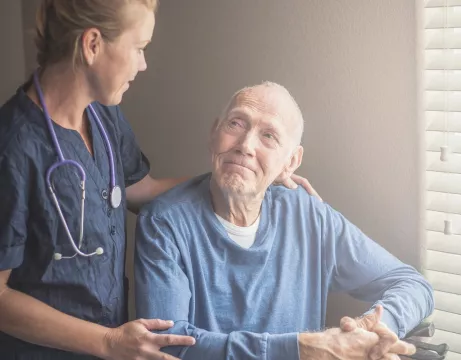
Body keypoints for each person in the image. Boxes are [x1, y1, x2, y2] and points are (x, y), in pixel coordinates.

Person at [0, 2, 317, 359]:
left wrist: (245, 176)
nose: (143, 64)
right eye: (139, 48)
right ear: (92, 45)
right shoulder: (12, 147)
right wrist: (107, 342)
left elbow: (140, 190)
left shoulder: (103, 116)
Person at [134, 81, 435, 360]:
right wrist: (303, 348)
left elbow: (412, 284)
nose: (246, 145)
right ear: (214, 133)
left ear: (290, 162)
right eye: (236, 123)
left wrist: (371, 330)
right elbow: (167, 344)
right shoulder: (164, 223)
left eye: (269, 136)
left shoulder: (309, 217)